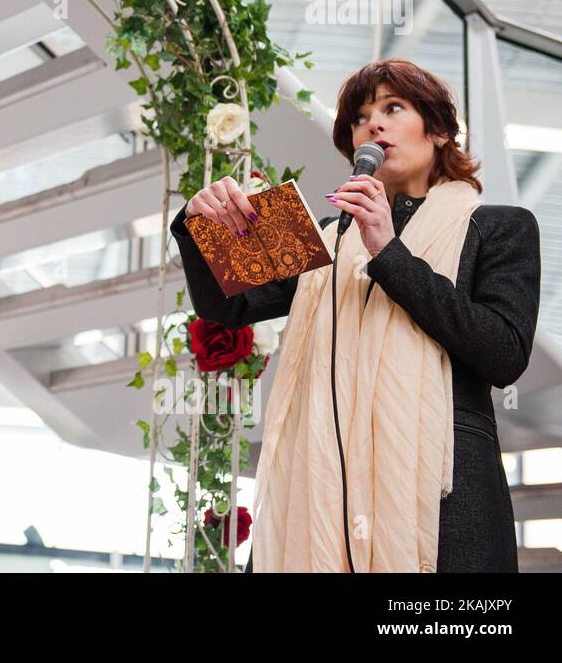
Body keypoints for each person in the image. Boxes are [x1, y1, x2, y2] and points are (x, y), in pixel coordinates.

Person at [171, 59, 540, 572]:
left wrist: (389, 252)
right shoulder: (326, 231)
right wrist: (197, 226)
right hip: (318, 486)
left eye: (394, 108)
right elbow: (228, 307)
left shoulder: (501, 226)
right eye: (361, 117)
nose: (374, 124)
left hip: (443, 495)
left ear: (437, 130)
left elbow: (503, 353)